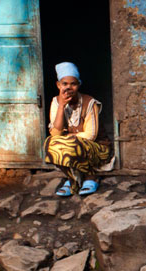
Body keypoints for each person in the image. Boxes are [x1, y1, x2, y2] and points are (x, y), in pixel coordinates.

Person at [43, 62, 112, 196]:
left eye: (73, 84)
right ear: (58, 85)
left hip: (96, 148)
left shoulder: (89, 102)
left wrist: (67, 139)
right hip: (71, 145)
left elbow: (91, 135)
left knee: (68, 145)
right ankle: (72, 179)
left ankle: (90, 176)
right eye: (64, 84)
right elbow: (55, 133)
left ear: (78, 85)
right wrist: (62, 106)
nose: (69, 88)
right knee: (49, 144)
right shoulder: (56, 102)